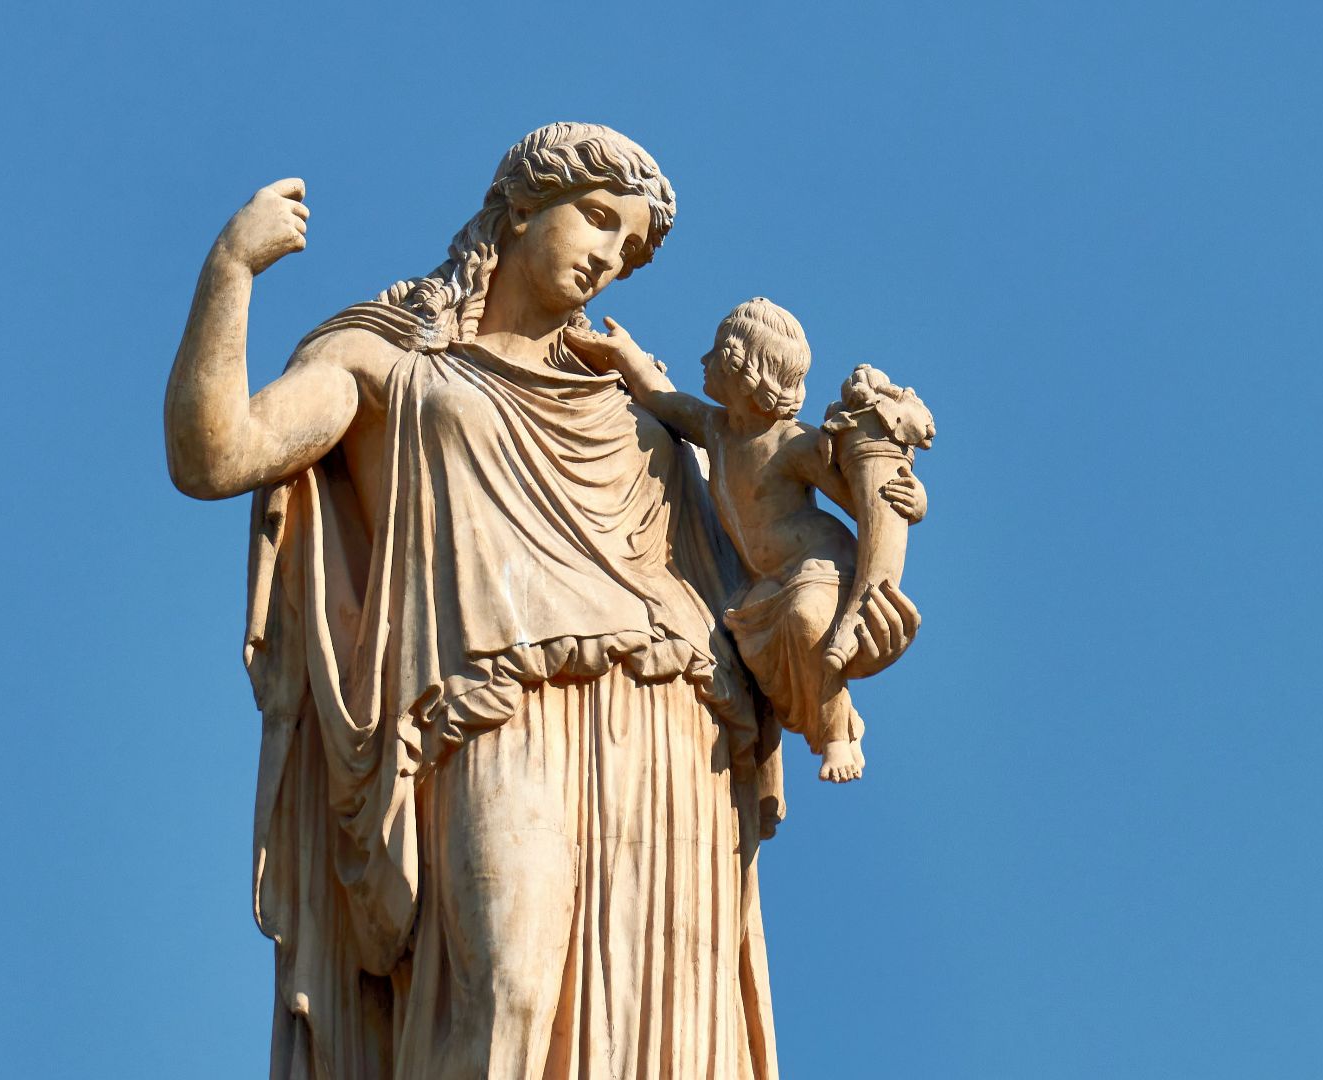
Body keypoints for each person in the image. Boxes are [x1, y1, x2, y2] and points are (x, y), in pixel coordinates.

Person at [164, 123, 916, 1079]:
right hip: (493, 709)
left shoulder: (645, 417)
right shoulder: (396, 363)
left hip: (674, 727)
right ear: (521, 206)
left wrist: (840, 641)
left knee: (665, 1033)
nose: (608, 257)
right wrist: (232, 270)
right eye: (597, 219)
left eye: (629, 248)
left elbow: (758, 610)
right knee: (509, 983)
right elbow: (215, 453)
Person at [566, 298, 925, 784]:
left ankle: (837, 733)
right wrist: (623, 353)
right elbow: (659, 398)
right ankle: (829, 711)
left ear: (745, 371)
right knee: (751, 649)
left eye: (716, 354)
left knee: (806, 623)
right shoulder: (714, 428)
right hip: (767, 578)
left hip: (817, 564)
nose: (704, 363)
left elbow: (862, 502)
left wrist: (914, 500)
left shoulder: (794, 443)